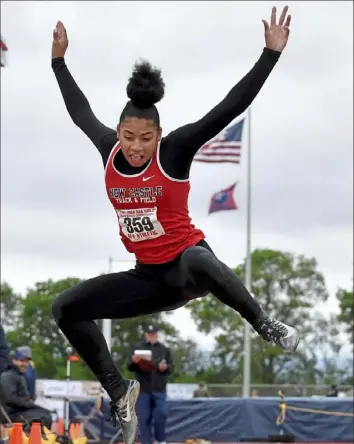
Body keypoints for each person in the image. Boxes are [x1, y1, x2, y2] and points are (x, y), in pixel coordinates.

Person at [51, 6, 298, 444]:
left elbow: (227, 108)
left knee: (198, 259)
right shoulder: (109, 148)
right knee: (65, 308)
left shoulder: (175, 150)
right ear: (119, 131)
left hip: (187, 268)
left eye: (146, 139)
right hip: (147, 278)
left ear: (159, 136)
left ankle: (264, 322)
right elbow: (78, 111)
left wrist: (269, 55)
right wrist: (59, 63)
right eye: (129, 137)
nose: (135, 148)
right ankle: (119, 392)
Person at [128, 326, 172, 444]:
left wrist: (166, 367)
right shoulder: (138, 348)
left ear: (157, 334)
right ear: (146, 335)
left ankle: (160, 439)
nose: (151, 336)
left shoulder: (164, 349)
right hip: (143, 389)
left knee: (161, 414)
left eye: (153, 334)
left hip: (159, 389)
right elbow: (130, 367)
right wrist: (134, 362)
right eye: (149, 334)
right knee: (143, 418)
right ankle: (146, 442)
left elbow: (171, 368)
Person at [0, 350, 52, 429]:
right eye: (22, 361)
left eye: (26, 362)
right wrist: (29, 403)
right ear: (14, 361)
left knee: (46, 413)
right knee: (44, 416)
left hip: (19, 411)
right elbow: (9, 398)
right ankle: (36, 439)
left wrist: (30, 403)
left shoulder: (19, 375)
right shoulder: (7, 376)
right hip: (11, 414)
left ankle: (41, 438)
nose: (25, 364)